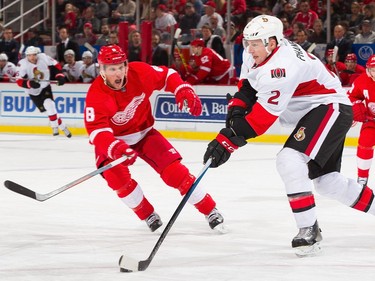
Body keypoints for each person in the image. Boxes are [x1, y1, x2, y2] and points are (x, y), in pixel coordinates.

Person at [203, 15, 375, 257]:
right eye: (247, 43)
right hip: (313, 112)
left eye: (255, 44)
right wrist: (236, 111)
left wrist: (227, 141)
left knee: (289, 159)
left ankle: (308, 229)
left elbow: (262, 120)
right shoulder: (256, 52)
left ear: (272, 42)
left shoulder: (281, 68)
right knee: (328, 183)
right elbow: (248, 86)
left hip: (329, 107)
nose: (249, 49)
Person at [83, 44, 226, 233]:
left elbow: (167, 75)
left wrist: (181, 88)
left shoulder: (140, 72)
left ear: (126, 66)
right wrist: (116, 147)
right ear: (102, 70)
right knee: (116, 179)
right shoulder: (96, 94)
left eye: (120, 67)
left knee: (176, 173)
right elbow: (96, 132)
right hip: (115, 142)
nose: (117, 74)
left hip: (145, 133)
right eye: (111, 69)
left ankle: (210, 210)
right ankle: (147, 214)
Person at [15, 46, 71, 137]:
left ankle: (54, 127)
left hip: (45, 86)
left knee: (50, 104)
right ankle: (63, 126)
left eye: (34, 55)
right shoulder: (22, 64)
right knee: (47, 111)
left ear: (37, 54)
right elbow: (19, 81)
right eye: (29, 55)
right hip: (33, 92)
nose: (32, 57)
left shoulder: (43, 57)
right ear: (26, 56)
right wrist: (30, 83)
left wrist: (59, 75)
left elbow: (56, 64)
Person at [347, 55, 375, 188]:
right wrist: (356, 104)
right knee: (364, 144)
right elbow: (351, 95)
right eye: (373, 69)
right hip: (371, 123)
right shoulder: (362, 80)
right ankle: (362, 178)